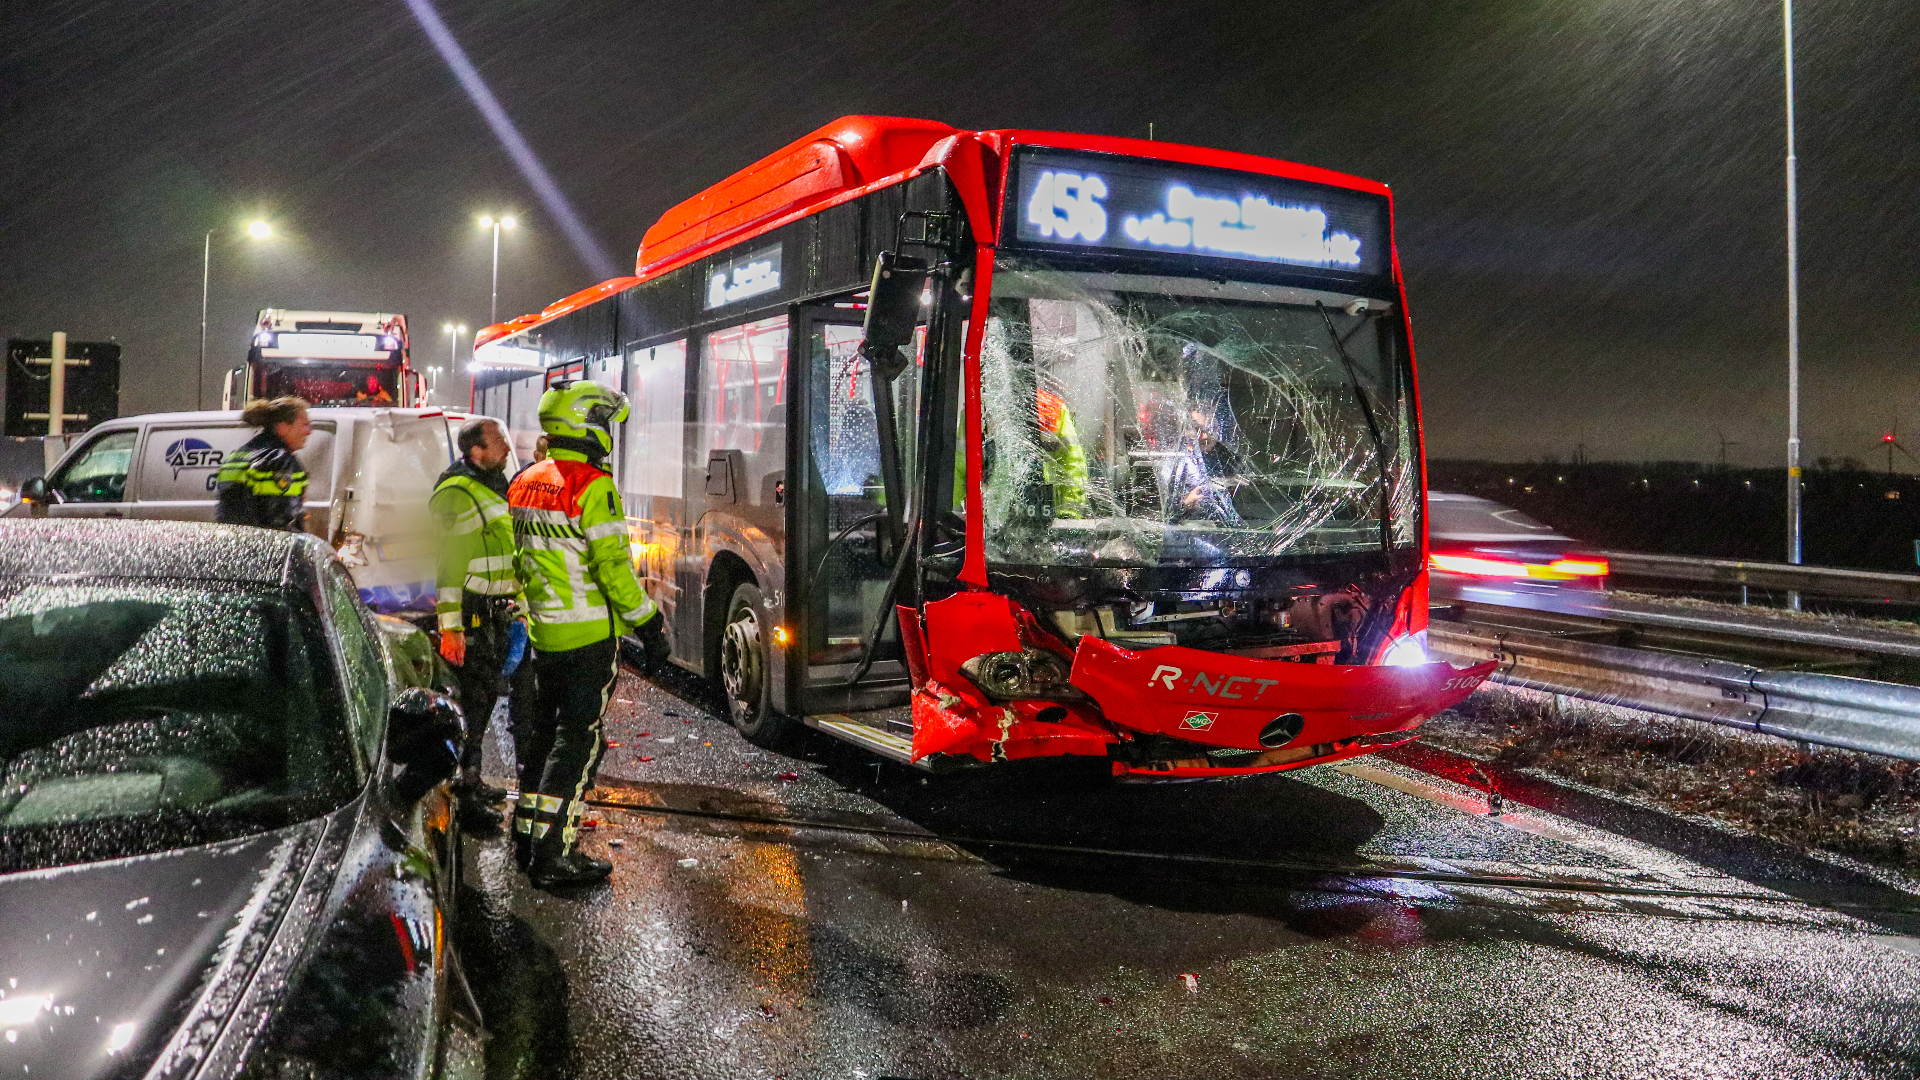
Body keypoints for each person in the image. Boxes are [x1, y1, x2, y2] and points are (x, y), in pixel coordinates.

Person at [508, 381, 670, 888]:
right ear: (587, 425)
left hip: (544, 634)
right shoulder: (593, 486)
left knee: (541, 742)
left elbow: (522, 561)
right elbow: (614, 570)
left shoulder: (525, 480)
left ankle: (527, 838)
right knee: (577, 744)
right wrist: (649, 623)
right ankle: (554, 853)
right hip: (587, 639)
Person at [431, 417, 521, 831]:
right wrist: (451, 628)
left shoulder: (491, 485)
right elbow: (448, 567)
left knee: (482, 703)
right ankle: (464, 798)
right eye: (498, 442)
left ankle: (472, 779)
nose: (506, 447)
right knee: (471, 704)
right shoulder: (458, 494)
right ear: (475, 452)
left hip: (493, 614)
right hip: (471, 617)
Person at [215, 397, 312, 530]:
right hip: (266, 546)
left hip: (235, 544)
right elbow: (281, 520)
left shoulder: (237, 456)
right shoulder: (279, 460)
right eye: (304, 425)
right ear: (283, 427)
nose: (309, 431)